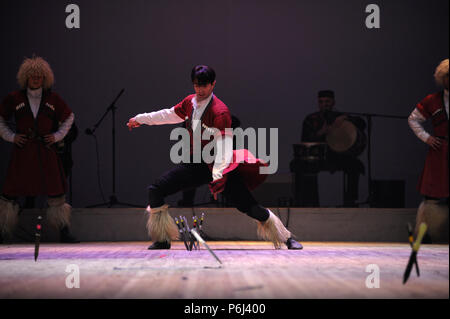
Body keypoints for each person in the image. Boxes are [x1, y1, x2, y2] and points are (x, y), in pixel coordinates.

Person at [128, 65, 302, 250]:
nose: (200, 90)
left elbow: (224, 147)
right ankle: (162, 239)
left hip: (221, 164)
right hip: (196, 164)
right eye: (196, 85)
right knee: (156, 189)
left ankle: (286, 237)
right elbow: (169, 114)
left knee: (248, 206)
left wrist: (219, 175)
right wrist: (140, 118)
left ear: (213, 84)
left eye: (204, 86)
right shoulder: (190, 102)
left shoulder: (220, 111)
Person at [0, 56, 79, 244]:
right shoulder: (14, 98)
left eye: (39, 76)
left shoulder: (53, 99)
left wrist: (57, 136)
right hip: (23, 151)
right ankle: (3, 232)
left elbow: (69, 117)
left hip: (46, 151)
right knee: (10, 192)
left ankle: (63, 232)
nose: (36, 79)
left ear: (45, 78)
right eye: (32, 76)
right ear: (25, 77)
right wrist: (11, 137)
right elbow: (0, 118)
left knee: (56, 192)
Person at [290, 90, 365, 207]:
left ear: (333, 102)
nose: (324, 104)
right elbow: (305, 139)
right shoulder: (311, 119)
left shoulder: (339, 117)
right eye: (321, 102)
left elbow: (362, 123)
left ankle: (350, 201)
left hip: (337, 155)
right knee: (297, 165)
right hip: (317, 157)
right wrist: (324, 131)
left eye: (327, 101)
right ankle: (307, 203)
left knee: (355, 164)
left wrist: (346, 119)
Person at [408, 58, 449, 242]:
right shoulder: (432, 100)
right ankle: (427, 235)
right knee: (433, 195)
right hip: (440, 152)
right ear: (442, 78)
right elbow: (413, 119)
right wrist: (427, 138)